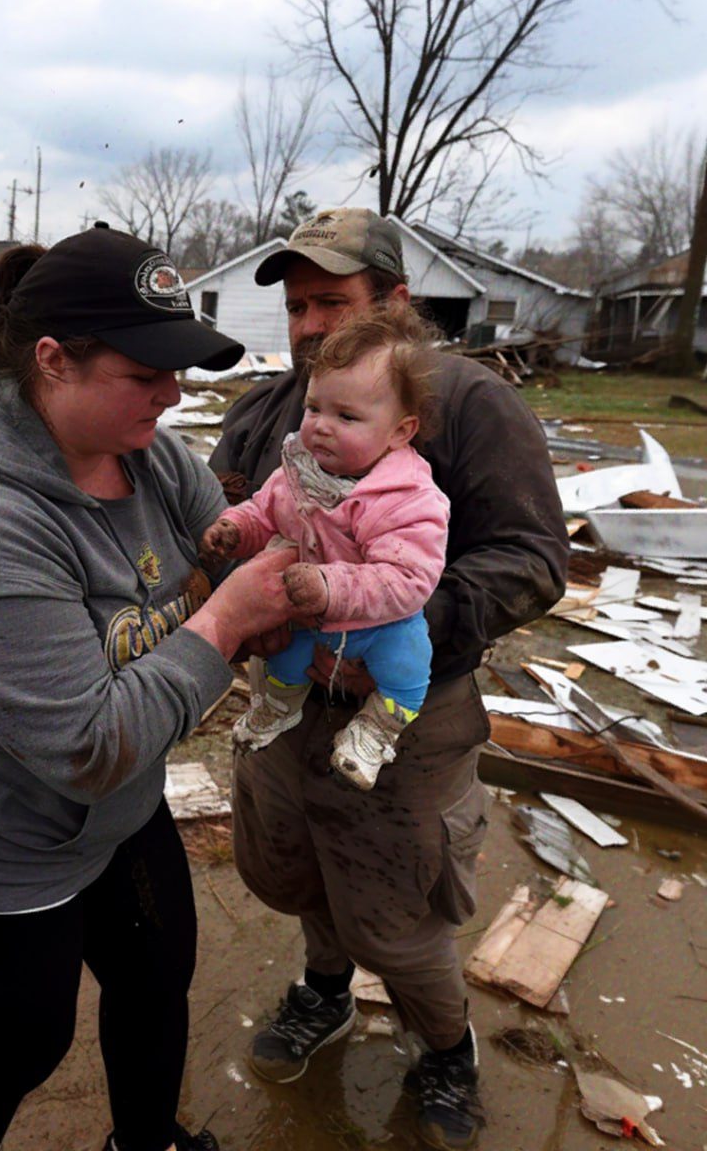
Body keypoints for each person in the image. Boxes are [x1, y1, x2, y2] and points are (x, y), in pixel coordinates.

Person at [0, 224, 304, 1151]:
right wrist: (222, 626)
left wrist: (327, 567)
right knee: (20, 1045)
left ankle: (144, 1143)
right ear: (54, 361)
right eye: (148, 373)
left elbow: (224, 540)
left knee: (155, 974)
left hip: (115, 802)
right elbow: (87, 746)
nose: (173, 394)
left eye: (177, 370)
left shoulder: (142, 448)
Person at [209, 207, 570, 1150]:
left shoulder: (468, 406)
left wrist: (389, 623)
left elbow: (534, 558)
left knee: (403, 914)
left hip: (405, 715)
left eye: (331, 301)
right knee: (300, 872)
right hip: (289, 704)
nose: (307, 325)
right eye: (295, 306)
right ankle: (323, 993)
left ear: (395, 303)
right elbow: (230, 518)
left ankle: (447, 1048)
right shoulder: (269, 412)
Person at [200, 304, 450, 790]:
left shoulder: (408, 498)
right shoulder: (298, 472)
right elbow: (264, 510)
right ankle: (277, 708)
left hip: (381, 623)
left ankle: (378, 729)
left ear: (401, 431)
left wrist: (330, 585)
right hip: (309, 614)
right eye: (315, 408)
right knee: (285, 661)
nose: (320, 426)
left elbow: (408, 580)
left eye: (347, 416)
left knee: (407, 666)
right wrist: (234, 529)